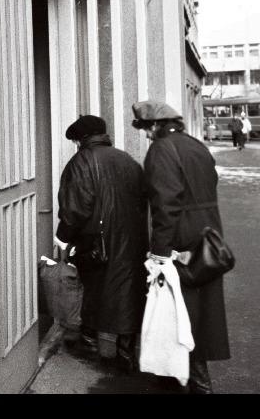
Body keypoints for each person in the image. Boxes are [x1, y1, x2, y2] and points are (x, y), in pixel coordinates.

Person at [132, 100, 230, 394]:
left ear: (154, 126)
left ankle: (195, 384)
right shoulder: (195, 145)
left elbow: (166, 204)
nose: (147, 136)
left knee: (178, 314)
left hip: (181, 241)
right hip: (209, 236)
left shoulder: (162, 150)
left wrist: (160, 252)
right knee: (201, 312)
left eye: (146, 130)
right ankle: (187, 380)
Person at [55, 115, 148, 372]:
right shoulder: (127, 160)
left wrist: (63, 237)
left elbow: (75, 209)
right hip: (133, 241)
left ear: (82, 139)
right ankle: (126, 351)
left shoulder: (81, 162)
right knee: (128, 293)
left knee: (96, 292)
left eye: (75, 140)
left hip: (99, 245)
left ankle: (90, 343)